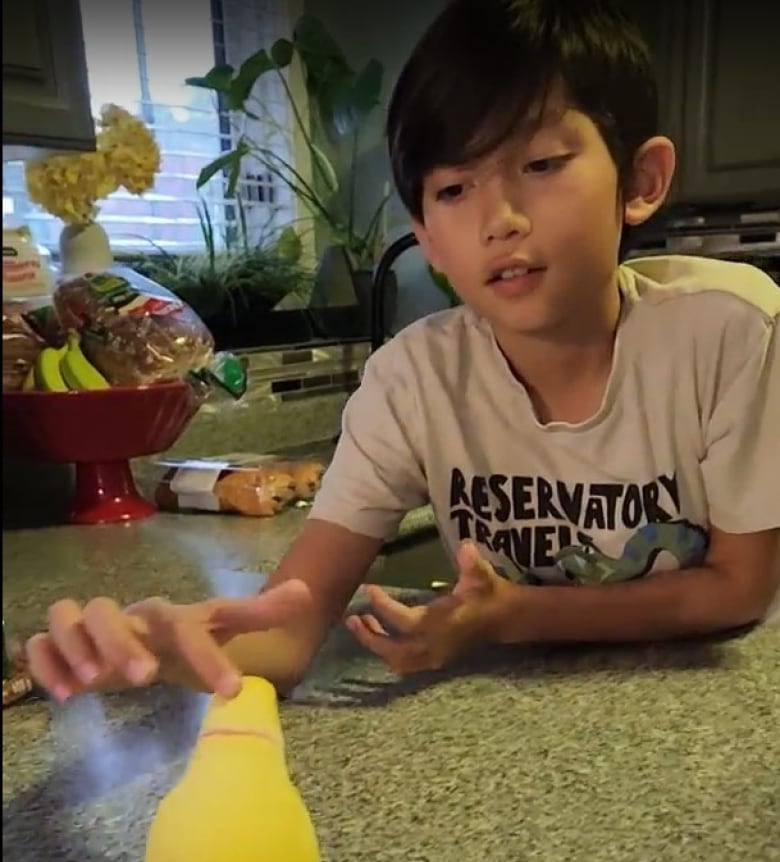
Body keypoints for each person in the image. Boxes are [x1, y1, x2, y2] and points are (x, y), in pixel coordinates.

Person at [27, 0, 780, 704]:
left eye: (542, 164)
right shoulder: (412, 382)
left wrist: (513, 616)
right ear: (427, 239)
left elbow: (738, 587)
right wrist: (162, 650)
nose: (500, 219)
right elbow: (289, 626)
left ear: (640, 180)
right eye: (454, 189)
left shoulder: (724, 338)